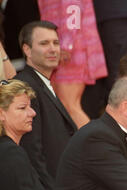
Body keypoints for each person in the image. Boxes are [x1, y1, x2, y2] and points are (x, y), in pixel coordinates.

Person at [14, 21, 77, 190]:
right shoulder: (25, 86)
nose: (53, 49)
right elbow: (32, 149)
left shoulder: (41, 83)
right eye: (44, 43)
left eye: (56, 43)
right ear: (27, 50)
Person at [37, 0, 108, 128]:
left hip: (71, 51)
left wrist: (66, 44)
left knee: (69, 105)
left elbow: (73, 8)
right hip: (61, 48)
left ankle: (94, 146)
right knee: (63, 105)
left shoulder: (65, 45)